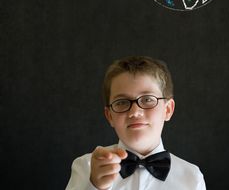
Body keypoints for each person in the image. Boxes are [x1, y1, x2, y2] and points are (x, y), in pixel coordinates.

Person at [65, 56, 206, 190]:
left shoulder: (192, 177)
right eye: (121, 102)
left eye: (147, 99)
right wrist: (94, 186)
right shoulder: (86, 166)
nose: (135, 112)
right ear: (110, 116)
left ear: (167, 109)